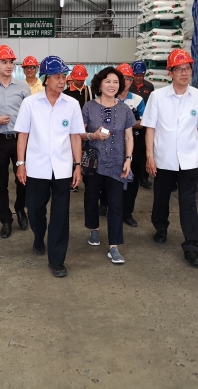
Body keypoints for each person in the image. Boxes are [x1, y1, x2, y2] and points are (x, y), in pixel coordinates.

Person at [15, 56, 85, 278]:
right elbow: (23, 135)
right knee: (34, 208)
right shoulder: (30, 104)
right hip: (36, 167)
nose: (62, 81)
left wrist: (77, 165)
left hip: (63, 168)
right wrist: (20, 164)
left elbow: (75, 136)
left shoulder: (72, 104)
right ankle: (39, 236)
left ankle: (57, 260)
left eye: (64, 76)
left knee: (60, 215)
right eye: (57, 77)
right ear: (46, 79)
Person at [141, 49, 198, 267]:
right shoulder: (157, 97)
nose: (184, 73)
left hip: (189, 159)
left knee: (188, 202)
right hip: (164, 158)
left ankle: (192, 246)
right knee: (161, 198)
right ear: (170, 73)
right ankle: (160, 227)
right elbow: (150, 128)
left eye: (187, 68)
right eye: (179, 69)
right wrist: (150, 156)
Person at [81, 67, 135, 264]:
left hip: (116, 163)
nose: (112, 85)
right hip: (94, 162)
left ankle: (114, 246)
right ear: (100, 84)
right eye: (108, 81)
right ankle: (94, 229)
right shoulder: (88, 107)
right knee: (91, 198)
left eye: (115, 82)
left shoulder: (125, 109)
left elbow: (129, 136)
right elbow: (79, 134)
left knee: (116, 204)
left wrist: (128, 159)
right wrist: (93, 136)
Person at [0, 45, 31, 239]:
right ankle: (6, 219)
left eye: (11, 62)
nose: (9, 66)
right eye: (4, 62)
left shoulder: (23, 87)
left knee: (23, 179)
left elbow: (31, 115)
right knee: (1, 182)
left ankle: (20, 208)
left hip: (20, 139)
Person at [115, 63, 145, 227]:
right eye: (122, 78)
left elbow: (143, 122)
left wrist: (127, 123)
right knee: (110, 178)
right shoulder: (109, 97)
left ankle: (127, 213)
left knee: (132, 181)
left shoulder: (137, 100)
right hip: (112, 145)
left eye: (128, 79)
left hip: (133, 144)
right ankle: (107, 205)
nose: (125, 82)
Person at [131, 60, 155, 188]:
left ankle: (144, 177)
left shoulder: (149, 87)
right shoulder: (129, 86)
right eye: (136, 75)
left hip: (144, 124)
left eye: (141, 75)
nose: (138, 78)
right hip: (131, 123)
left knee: (144, 150)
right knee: (132, 150)